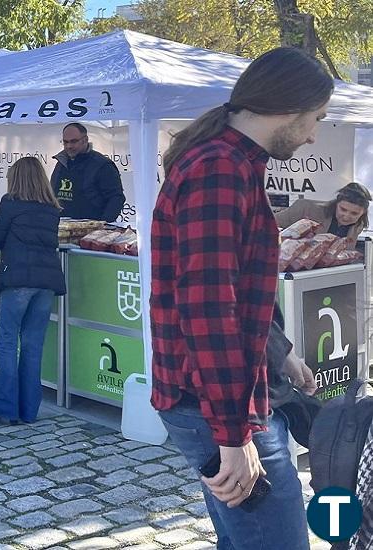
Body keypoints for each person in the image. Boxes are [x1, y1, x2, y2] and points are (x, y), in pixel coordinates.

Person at [151, 47, 333, 550]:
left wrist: (281, 349)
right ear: (288, 106)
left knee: (242, 537)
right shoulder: (220, 168)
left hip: (219, 398)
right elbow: (209, 310)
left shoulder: (231, 162)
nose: (314, 134)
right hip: (216, 405)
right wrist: (234, 435)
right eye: (315, 119)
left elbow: (235, 293)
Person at [0, 157, 66, 425]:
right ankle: (30, 410)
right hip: (47, 282)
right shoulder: (52, 209)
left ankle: (4, 409)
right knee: (33, 346)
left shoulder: (10, 203)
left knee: (7, 343)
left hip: (17, 280)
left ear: (15, 178)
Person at [49, 123, 125, 222]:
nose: (69, 146)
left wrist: (102, 225)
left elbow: (116, 198)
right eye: (65, 142)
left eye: (74, 141)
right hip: (62, 227)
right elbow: (52, 193)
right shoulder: (61, 163)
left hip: (91, 229)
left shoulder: (102, 165)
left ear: (85, 140)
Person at [274, 182, 370, 240]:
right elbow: (269, 224)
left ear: (363, 212)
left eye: (354, 213)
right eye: (343, 209)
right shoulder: (306, 208)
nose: (346, 216)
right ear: (337, 203)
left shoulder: (358, 225)